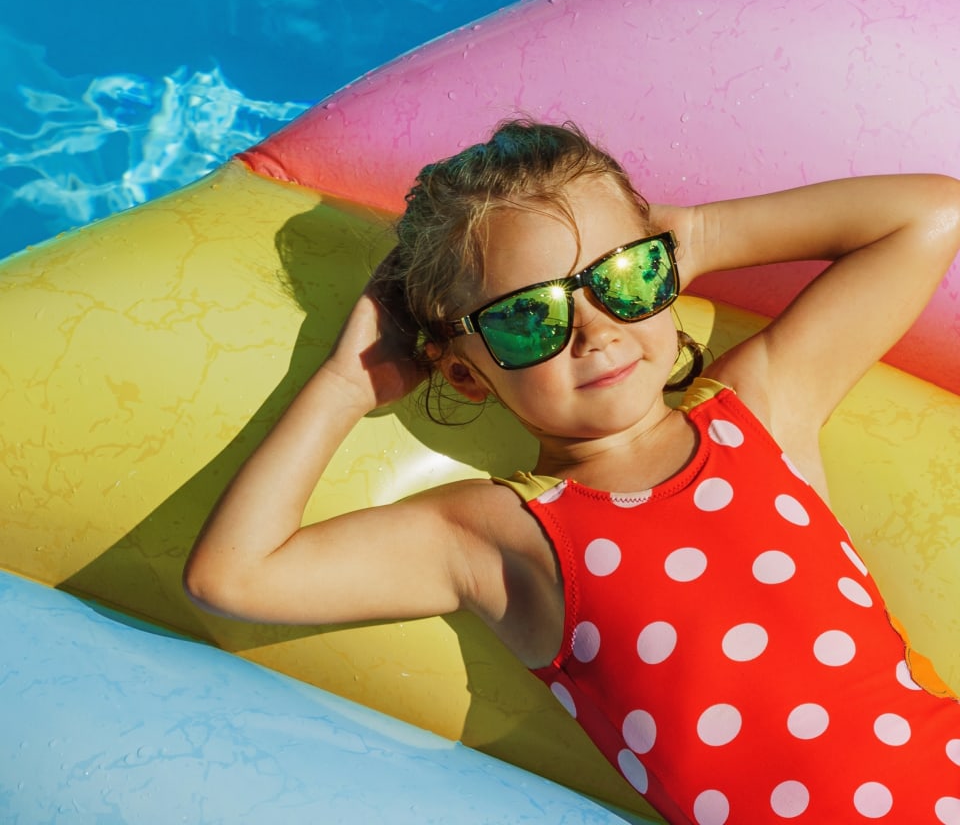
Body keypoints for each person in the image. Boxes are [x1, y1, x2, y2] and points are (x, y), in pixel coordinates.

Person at [184, 120, 960, 823]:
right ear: (465, 374)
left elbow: (932, 214)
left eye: (624, 278)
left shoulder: (760, 409)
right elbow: (234, 575)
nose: (595, 330)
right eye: (528, 317)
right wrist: (345, 385)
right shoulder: (500, 531)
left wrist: (698, 236)